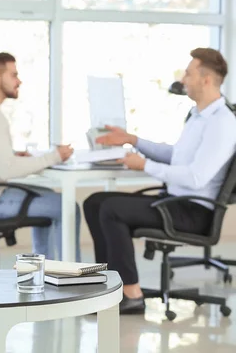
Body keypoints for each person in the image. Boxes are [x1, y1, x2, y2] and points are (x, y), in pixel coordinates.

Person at [84, 47, 236, 315]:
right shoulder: (198, 117)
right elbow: (176, 156)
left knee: (112, 209)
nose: (183, 79)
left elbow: (196, 177)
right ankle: (107, 287)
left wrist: (144, 165)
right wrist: (134, 140)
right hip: (175, 202)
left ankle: (130, 294)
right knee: (95, 202)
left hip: (194, 210)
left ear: (206, 79)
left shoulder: (222, 122)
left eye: (188, 74)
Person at [0, 52, 81, 261]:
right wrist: (55, 156)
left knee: (50, 197)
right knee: (67, 206)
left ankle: (45, 272)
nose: (19, 81)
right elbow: (7, 170)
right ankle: (72, 276)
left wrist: (13, 155)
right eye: (13, 75)